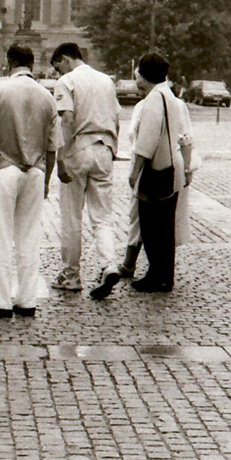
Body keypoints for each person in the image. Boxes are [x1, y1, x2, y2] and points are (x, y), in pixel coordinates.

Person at [0, 43, 59, 319]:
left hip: (2, 166)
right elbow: (53, 145)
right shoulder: (47, 96)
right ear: (32, 64)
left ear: (8, 63)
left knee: (0, 235)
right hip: (35, 170)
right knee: (29, 236)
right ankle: (26, 299)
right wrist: (45, 179)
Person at [50, 42, 122, 299]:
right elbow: (116, 118)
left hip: (79, 148)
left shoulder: (67, 82)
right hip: (104, 148)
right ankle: (108, 265)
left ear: (65, 59)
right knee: (102, 216)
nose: (58, 73)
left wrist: (61, 157)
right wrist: (113, 148)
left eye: (58, 67)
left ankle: (71, 275)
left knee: (72, 217)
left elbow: (66, 120)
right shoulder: (106, 81)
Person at [125, 53, 190, 293]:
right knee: (165, 227)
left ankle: (155, 274)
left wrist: (135, 172)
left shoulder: (154, 99)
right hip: (173, 166)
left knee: (151, 225)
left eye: (138, 75)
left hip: (157, 168)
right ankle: (165, 275)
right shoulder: (171, 96)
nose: (137, 81)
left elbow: (147, 140)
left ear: (144, 74)